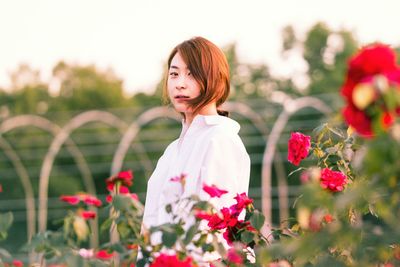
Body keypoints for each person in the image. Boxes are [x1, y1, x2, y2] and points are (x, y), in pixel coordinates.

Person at [142, 36, 251, 246]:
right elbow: (151, 224)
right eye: (174, 74)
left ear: (215, 79)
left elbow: (213, 231)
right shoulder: (172, 151)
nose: (179, 84)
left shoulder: (220, 140)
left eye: (191, 74)